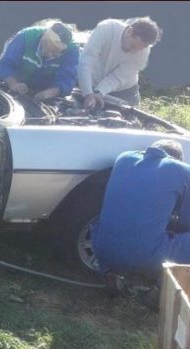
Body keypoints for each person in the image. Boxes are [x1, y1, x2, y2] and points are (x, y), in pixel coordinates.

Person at [92, 139, 190, 281]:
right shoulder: (182, 170)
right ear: (177, 158)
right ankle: (159, 283)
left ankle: (109, 271)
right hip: (143, 254)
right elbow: (186, 221)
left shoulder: (123, 158)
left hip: (99, 246)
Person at [78, 17, 161, 109]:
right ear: (129, 31)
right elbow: (86, 60)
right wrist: (88, 93)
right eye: (133, 46)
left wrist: (99, 92)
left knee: (132, 117)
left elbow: (118, 77)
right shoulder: (106, 29)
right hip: (92, 83)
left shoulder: (144, 52)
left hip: (124, 91)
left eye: (139, 50)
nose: (133, 52)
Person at [0, 21, 79, 101]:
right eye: (50, 50)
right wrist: (13, 84)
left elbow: (68, 78)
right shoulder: (26, 36)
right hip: (17, 86)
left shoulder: (72, 50)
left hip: (46, 92)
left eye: (56, 53)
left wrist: (51, 92)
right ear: (43, 40)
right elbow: (5, 64)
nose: (50, 56)